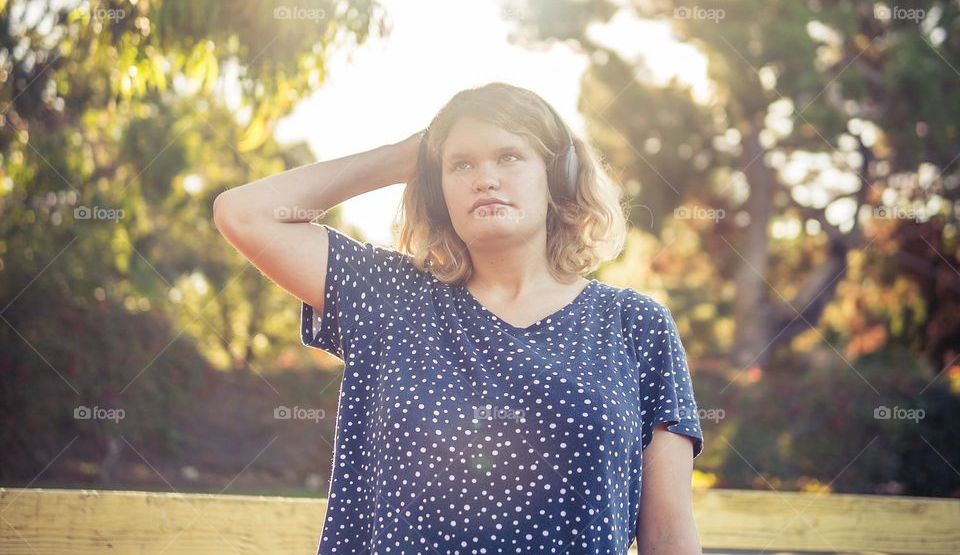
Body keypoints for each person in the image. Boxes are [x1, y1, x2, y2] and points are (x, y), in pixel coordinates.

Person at [214, 82, 705, 554]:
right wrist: (402, 158)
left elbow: (668, 540)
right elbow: (244, 213)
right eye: (460, 164)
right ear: (437, 187)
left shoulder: (635, 325)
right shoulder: (390, 296)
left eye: (509, 156)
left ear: (561, 175)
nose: (483, 178)